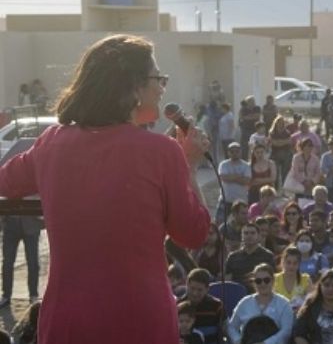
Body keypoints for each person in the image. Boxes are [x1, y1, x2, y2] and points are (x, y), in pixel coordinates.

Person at [0, 34, 210, 344]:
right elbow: (194, 233)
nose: (162, 86)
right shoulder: (162, 152)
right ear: (133, 87)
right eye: (158, 78)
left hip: (67, 319)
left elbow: (6, 181)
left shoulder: (52, 142)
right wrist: (189, 164)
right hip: (139, 320)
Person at [228, 263, 294, 344]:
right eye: (258, 281)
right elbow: (231, 327)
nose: (263, 284)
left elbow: (286, 331)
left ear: (273, 280)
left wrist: (266, 343)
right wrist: (238, 340)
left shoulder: (284, 304)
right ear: (254, 283)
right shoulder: (244, 303)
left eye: (266, 280)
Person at [0, 215, 41, 307]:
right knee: (7, 263)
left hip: (31, 225)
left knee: (33, 262)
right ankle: (6, 295)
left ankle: (33, 295)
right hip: (11, 224)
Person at [178, 268, 225, 344]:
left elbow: (225, 331)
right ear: (187, 285)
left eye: (200, 290)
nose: (195, 293)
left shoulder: (217, 306)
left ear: (207, 289)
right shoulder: (178, 305)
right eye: (192, 288)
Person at [226, 223, 276, 289]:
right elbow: (227, 281)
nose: (249, 236)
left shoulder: (268, 256)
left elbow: (272, 279)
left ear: (258, 236)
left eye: (252, 233)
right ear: (241, 236)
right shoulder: (233, 257)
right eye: (246, 233)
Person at [218, 142, 252, 223]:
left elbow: (246, 181)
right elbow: (223, 178)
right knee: (220, 222)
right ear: (228, 152)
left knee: (241, 222)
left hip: (241, 201)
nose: (234, 153)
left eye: (237, 151)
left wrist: (231, 177)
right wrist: (240, 176)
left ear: (240, 152)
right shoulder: (223, 164)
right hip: (225, 199)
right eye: (232, 151)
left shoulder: (246, 165)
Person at [273, 247, 311, 312]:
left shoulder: (306, 279)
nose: (291, 266)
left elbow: (310, 303)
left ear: (299, 264)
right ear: (282, 262)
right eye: (288, 262)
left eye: (295, 263)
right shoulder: (274, 279)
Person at [287, 138, 322, 203]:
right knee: (298, 202)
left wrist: (312, 181)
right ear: (303, 146)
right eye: (308, 145)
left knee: (310, 202)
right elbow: (295, 171)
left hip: (311, 186)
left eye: (311, 146)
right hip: (299, 185)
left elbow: (318, 172)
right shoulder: (296, 158)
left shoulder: (315, 159)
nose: (310, 147)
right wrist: (303, 181)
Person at [269, 115, 294, 186]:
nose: (281, 124)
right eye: (279, 122)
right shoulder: (272, 132)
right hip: (275, 154)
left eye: (282, 122)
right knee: (275, 172)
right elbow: (274, 143)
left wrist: (279, 142)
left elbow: (289, 141)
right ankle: (276, 188)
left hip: (286, 154)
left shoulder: (287, 132)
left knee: (285, 172)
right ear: (276, 123)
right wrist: (283, 141)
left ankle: (284, 187)